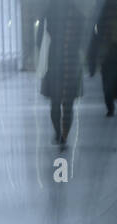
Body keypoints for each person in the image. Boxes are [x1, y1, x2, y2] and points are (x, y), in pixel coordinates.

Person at [37, 0, 88, 147]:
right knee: (68, 103)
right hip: (71, 61)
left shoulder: (50, 10)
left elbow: (41, 34)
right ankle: (64, 134)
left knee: (55, 102)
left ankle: (59, 132)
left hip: (55, 61)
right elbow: (84, 37)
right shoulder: (77, 14)